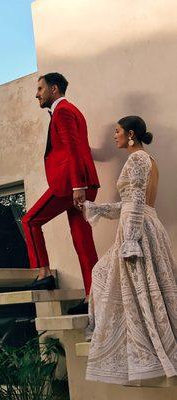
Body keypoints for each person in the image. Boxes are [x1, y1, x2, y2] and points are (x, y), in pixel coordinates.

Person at [83, 115, 177, 384]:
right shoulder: (149, 160)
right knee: (131, 283)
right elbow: (130, 203)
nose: (115, 136)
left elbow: (135, 201)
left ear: (131, 134)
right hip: (145, 224)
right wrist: (96, 208)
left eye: (117, 131)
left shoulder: (136, 160)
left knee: (112, 278)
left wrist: (131, 241)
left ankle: (135, 343)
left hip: (138, 230)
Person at [21, 73, 100, 314]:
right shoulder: (72, 110)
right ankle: (93, 299)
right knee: (82, 241)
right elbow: (81, 147)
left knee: (30, 220)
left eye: (40, 89)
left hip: (69, 186)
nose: (37, 94)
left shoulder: (63, 111)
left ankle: (43, 273)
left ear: (54, 89)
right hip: (83, 184)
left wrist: (77, 186)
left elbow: (74, 148)